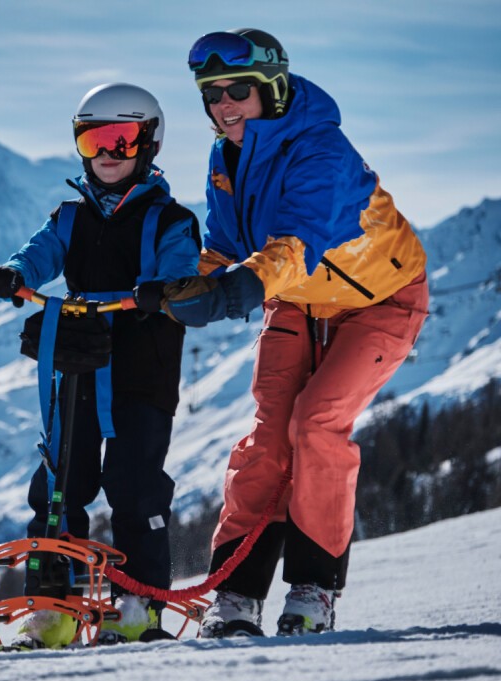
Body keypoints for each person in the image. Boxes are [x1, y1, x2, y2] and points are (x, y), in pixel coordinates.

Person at [165, 28, 428, 637]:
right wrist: (184, 286)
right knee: (268, 443)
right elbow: (227, 244)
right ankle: (235, 597)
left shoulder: (321, 149)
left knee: (316, 423)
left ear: (271, 88)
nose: (223, 105)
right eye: (211, 94)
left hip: (379, 301)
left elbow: (298, 245)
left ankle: (314, 587)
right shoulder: (224, 157)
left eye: (237, 90)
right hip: (296, 300)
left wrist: (236, 290)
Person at [0, 83, 200, 647]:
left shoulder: (170, 219)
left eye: (120, 140)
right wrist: (15, 274)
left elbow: (182, 269)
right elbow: (38, 253)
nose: (106, 152)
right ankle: (54, 606)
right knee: (58, 485)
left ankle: (138, 605)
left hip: (141, 371)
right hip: (79, 363)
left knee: (133, 485)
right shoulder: (71, 217)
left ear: (147, 144)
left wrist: (163, 289)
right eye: (93, 138)